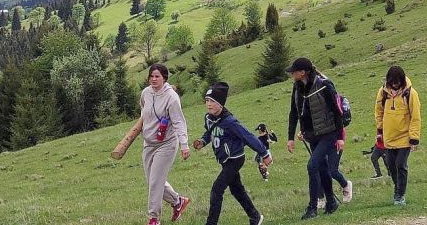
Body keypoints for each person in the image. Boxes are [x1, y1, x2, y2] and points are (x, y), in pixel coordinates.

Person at [193, 82, 270, 225]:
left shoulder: (230, 122)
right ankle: (255, 217)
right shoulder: (209, 118)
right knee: (236, 189)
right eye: (207, 101)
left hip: (235, 159)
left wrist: (264, 153)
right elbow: (210, 132)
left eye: (212, 101)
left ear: (221, 104)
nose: (208, 104)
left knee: (217, 190)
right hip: (224, 160)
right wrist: (203, 141)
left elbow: (248, 136)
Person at [286, 58, 348, 220]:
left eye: (294, 71)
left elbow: (336, 111)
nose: (292, 74)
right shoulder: (297, 87)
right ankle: (331, 202)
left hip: (328, 134)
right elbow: (294, 112)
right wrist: (290, 138)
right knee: (321, 168)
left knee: (312, 165)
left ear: (303, 72)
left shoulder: (324, 85)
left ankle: (312, 208)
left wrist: (340, 137)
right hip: (311, 135)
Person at [139, 64, 191, 225]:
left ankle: (154, 218)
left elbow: (178, 122)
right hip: (149, 143)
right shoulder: (145, 93)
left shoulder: (171, 98)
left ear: (165, 78)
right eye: (151, 76)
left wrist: (184, 144)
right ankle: (178, 201)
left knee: (155, 182)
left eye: (157, 76)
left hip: (166, 144)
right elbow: (143, 112)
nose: (153, 79)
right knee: (153, 181)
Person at [375, 65, 422, 206]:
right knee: (391, 165)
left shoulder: (411, 93)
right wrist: (380, 130)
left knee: (400, 164)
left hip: (405, 138)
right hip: (389, 137)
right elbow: (379, 112)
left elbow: (415, 116)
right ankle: (398, 189)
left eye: (397, 81)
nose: (395, 84)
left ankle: (400, 195)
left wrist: (414, 138)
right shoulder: (382, 92)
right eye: (392, 81)